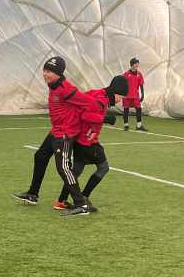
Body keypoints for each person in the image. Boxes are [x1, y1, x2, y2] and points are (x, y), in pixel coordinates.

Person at [12, 55, 91, 212]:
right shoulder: (53, 85)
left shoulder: (67, 89)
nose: (45, 74)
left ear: (59, 73)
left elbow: (88, 103)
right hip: (56, 130)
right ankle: (33, 194)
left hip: (65, 134)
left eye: (49, 71)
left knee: (63, 168)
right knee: (40, 156)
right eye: (45, 70)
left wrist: (96, 124)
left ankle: (81, 204)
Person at [54, 76, 127, 211]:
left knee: (76, 170)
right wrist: (105, 119)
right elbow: (85, 116)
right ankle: (83, 197)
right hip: (87, 141)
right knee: (103, 167)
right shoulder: (101, 100)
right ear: (115, 92)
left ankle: (61, 201)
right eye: (120, 97)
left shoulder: (96, 92)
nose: (120, 100)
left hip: (79, 138)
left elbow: (79, 106)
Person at [122, 57, 146, 131]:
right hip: (127, 96)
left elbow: (141, 85)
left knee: (138, 109)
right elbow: (122, 84)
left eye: (137, 63)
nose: (137, 65)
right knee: (126, 109)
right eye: (135, 63)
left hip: (136, 96)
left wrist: (142, 94)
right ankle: (126, 125)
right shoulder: (126, 74)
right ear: (132, 64)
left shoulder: (139, 74)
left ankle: (139, 125)